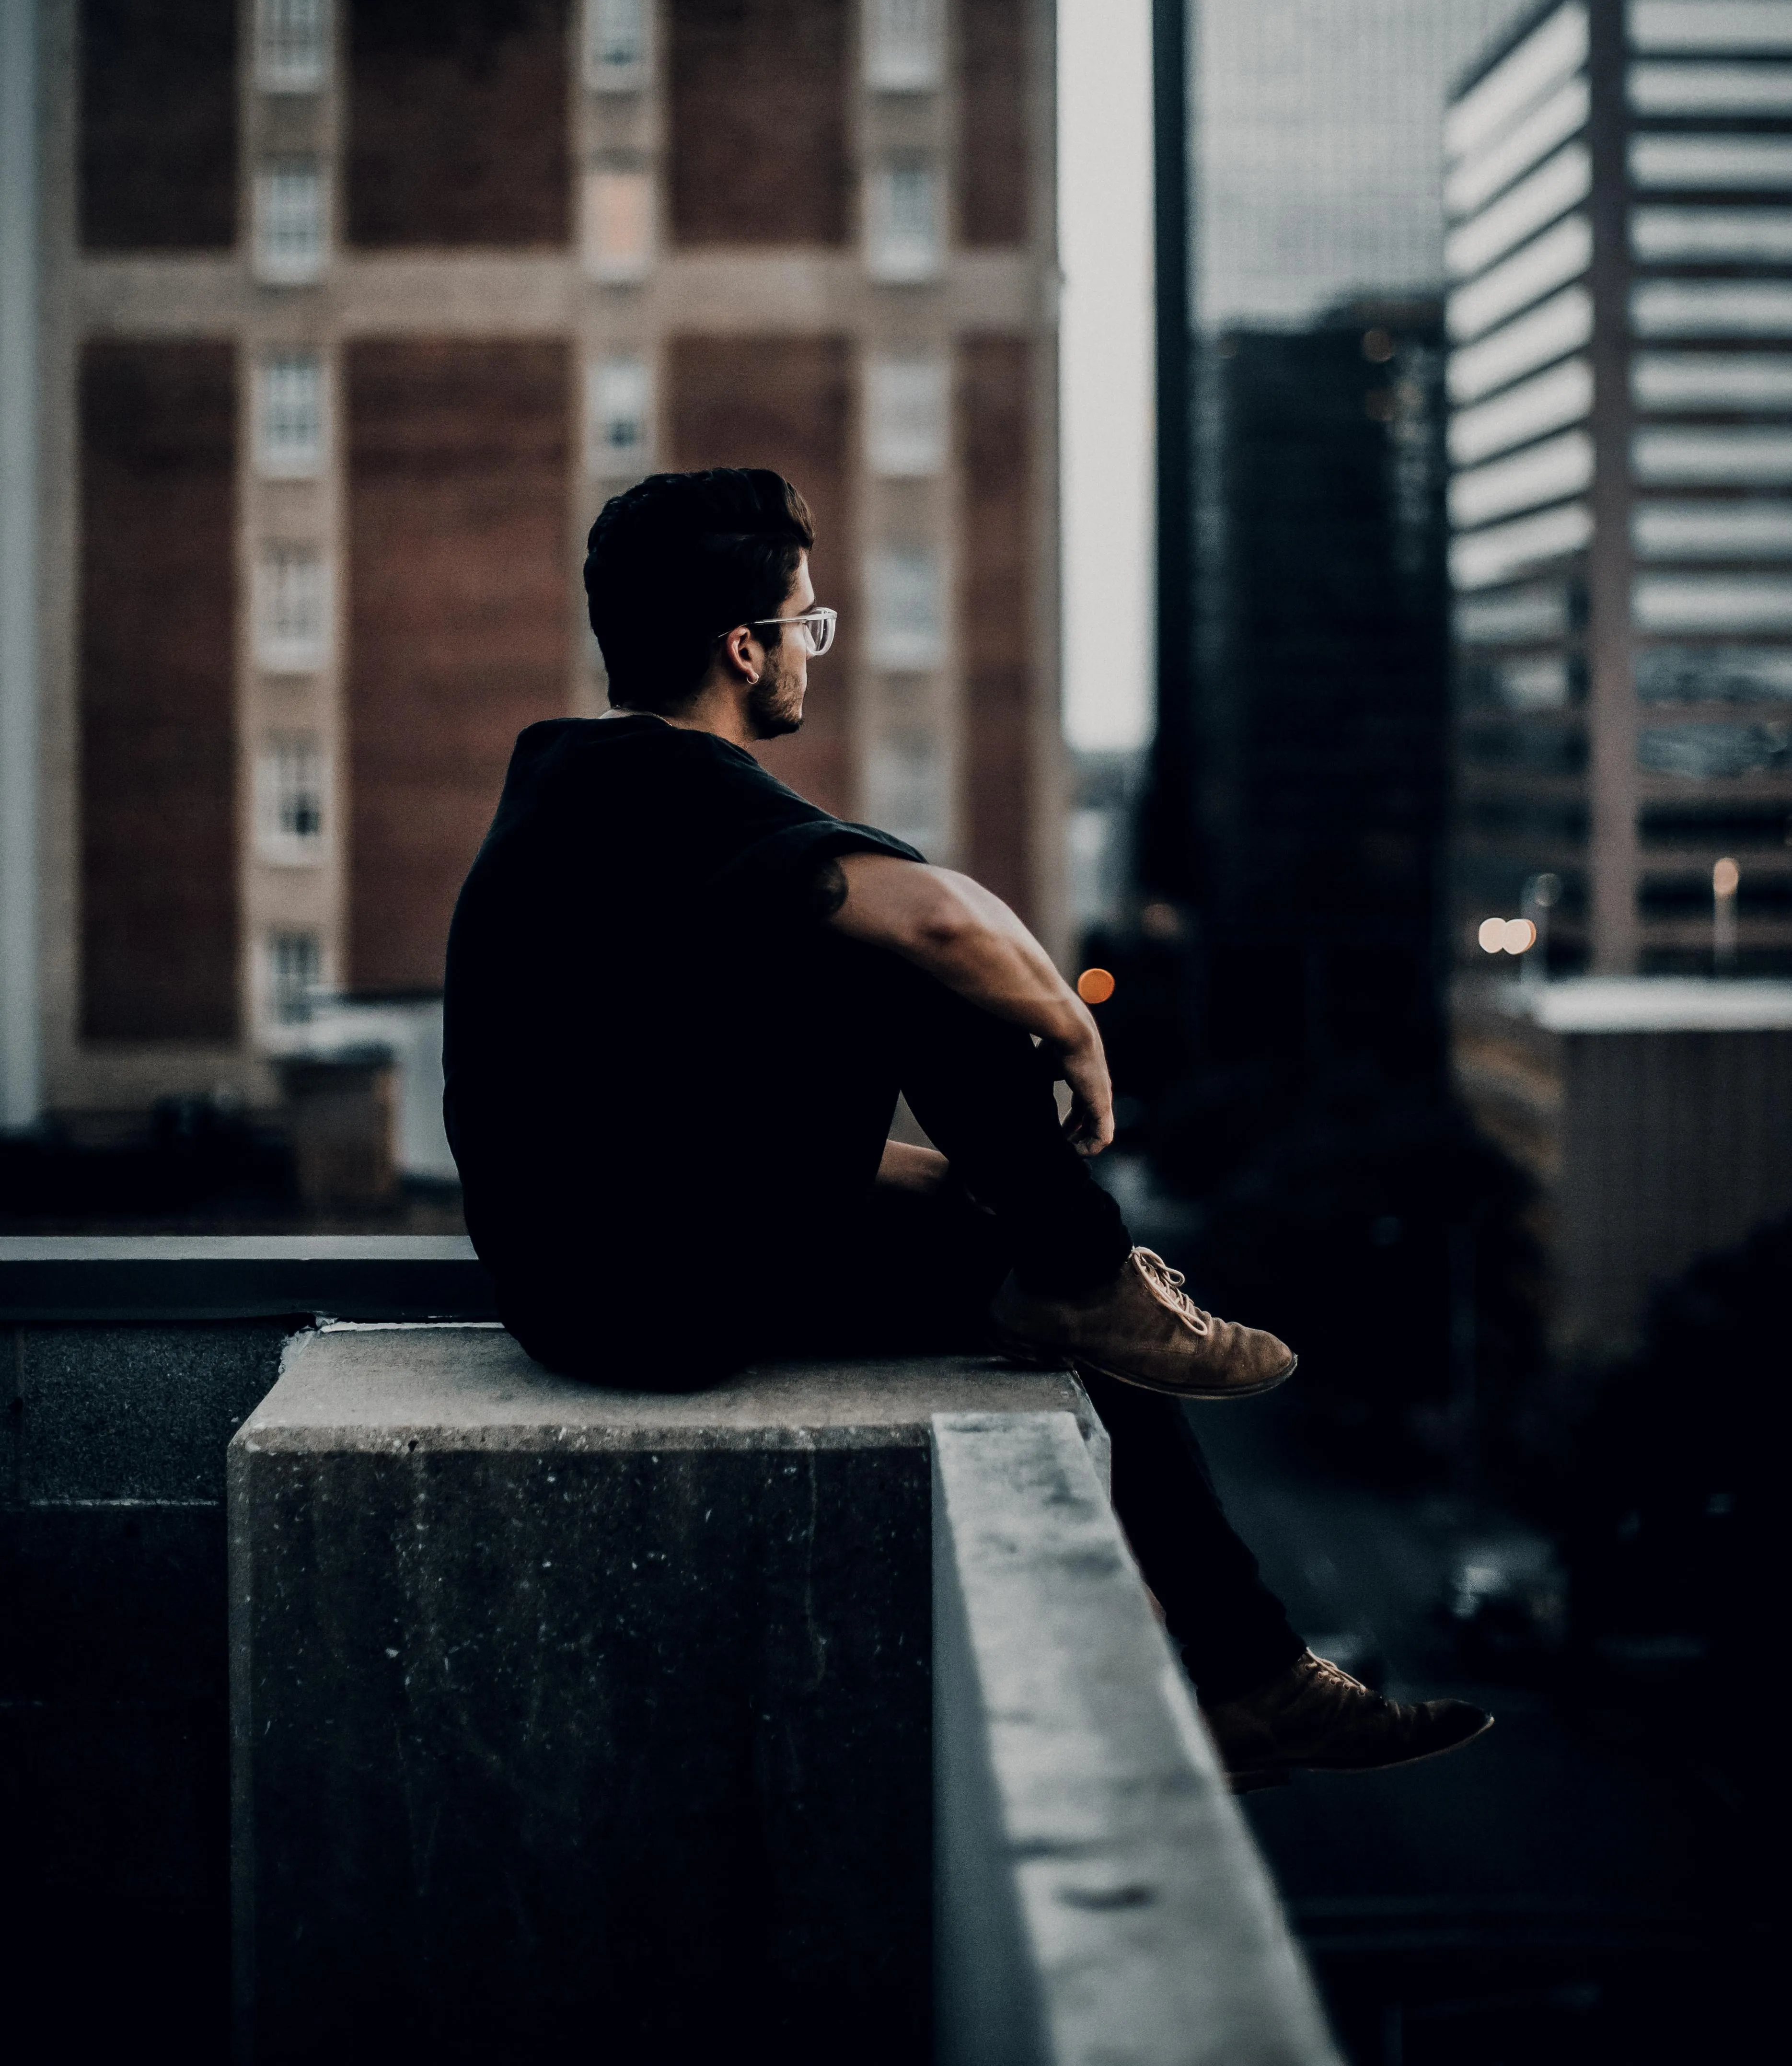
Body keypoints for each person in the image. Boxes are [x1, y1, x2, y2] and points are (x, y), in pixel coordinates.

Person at [443, 466, 1489, 1788]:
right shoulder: (677, 789)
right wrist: (1069, 1021)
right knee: (904, 973)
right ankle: (1128, 1366)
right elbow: (939, 920)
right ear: (743, 645)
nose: (815, 655)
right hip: (645, 1305)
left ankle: (1246, 1662)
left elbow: (646, 1110)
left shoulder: (583, 787)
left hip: (592, 1278)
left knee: (1039, 1276)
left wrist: (955, 1184)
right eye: (807, 626)